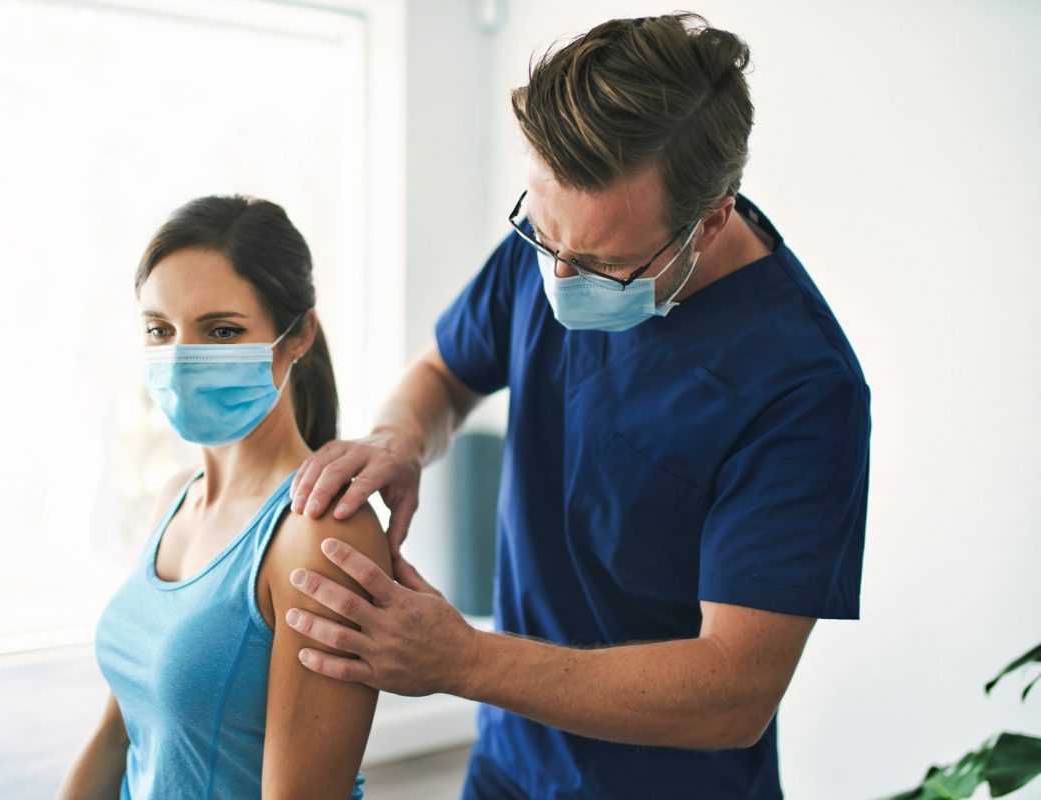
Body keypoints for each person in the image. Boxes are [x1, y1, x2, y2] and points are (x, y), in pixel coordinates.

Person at [281, 14, 870, 799]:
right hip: (507, 771)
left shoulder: (801, 388)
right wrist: (399, 438)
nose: (558, 278)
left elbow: (735, 692)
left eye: (601, 265)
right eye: (543, 235)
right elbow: (445, 372)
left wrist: (461, 660)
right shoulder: (561, 236)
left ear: (712, 219)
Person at [57, 195, 390, 799]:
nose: (182, 357)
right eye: (160, 330)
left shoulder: (320, 534)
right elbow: (118, 735)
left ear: (298, 337)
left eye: (222, 331)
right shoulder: (174, 500)